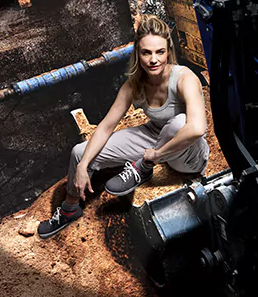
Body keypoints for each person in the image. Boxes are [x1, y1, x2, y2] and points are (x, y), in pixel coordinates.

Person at [38, 15, 209, 238]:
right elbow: (106, 127)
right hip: (155, 136)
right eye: (146, 52)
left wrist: (154, 156)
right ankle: (69, 210)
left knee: (178, 123)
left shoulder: (185, 78)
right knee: (80, 153)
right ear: (138, 53)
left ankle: (142, 168)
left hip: (188, 153)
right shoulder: (134, 85)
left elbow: (196, 128)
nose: (154, 59)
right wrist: (83, 166)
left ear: (169, 51)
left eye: (160, 52)